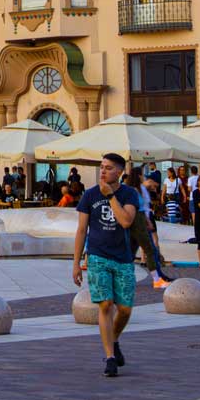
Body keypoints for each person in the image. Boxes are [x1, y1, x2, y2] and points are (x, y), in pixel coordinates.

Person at [74, 153, 141, 379]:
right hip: (97, 257)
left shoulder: (130, 194)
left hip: (123, 257)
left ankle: (114, 339)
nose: (103, 171)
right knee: (105, 304)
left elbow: (125, 221)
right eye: (102, 167)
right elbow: (82, 230)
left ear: (120, 172)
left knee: (124, 310)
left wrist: (111, 196)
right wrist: (75, 263)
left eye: (109, 168)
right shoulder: (90, 195)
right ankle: (110, 357)